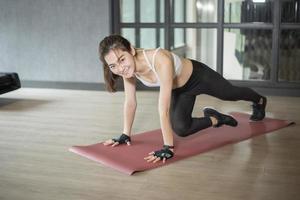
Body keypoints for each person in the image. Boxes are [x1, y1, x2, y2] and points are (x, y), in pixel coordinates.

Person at [98, 34, 267, 164]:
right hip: (180, 90)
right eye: (113, 66)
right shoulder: (128, 71)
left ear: (132, 50)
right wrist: (125, 134)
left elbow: (162, 109)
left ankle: (259, 100)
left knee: (231, 94)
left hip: (199, 77)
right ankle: (218, 118)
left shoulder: (160, 58)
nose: (120, 68)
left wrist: (168, 148)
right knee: (181, 128)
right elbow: (130, 102)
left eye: (122, 59)